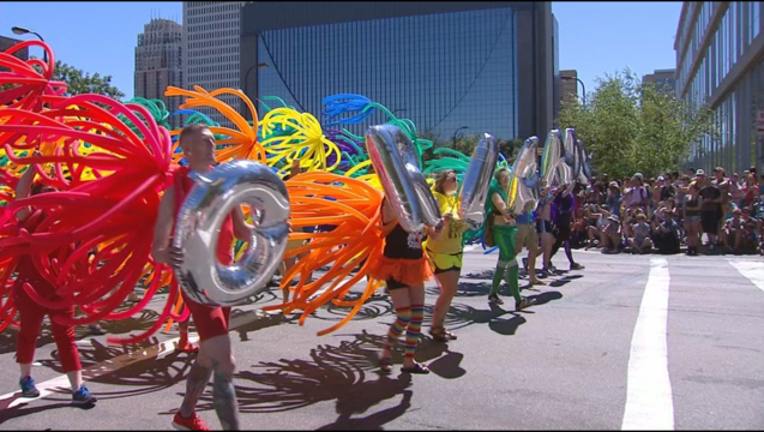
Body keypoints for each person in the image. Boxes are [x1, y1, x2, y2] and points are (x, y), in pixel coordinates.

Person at [153, 124, 254, 431]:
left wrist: (268, 234)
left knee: (209, 356)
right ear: (187, 150)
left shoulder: (227, 184)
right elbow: (158, 243)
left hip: (225, 280)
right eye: (205, 141)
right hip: (197, 282)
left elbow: (241, 232)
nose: (213, 145)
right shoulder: (177, 186)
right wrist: (163, 253)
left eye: (213, 140)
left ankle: (184, 416)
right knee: (226, 361)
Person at [12, 159, 96, 405]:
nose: (54, 193)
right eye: (47, 190)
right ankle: (26, 379)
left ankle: (78, 389)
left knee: (66, 337)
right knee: (29, 333)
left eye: (57, 190)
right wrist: (32, 165)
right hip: (31, 287)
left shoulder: (70, 220)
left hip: (61, 288)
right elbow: (20, 196)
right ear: (36, 196)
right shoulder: (30, 217)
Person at [370, 187, 445, 374]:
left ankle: (409, 361)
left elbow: (434, 236)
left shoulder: (422, 212)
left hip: (416, 265)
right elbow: (390, 198)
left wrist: (440, 226)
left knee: (417, 315)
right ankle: (386, 350)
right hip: (394, 265)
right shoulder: (392, 204)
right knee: (404, 316)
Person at [425, 170, 469, 342]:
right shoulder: (436, 199)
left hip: (455, 250)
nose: (456, 183)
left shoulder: (454, 201)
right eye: (453, 180)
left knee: (450, 291)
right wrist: (442, 222)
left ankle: (439, 326)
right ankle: (436, 327)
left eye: (457, 180)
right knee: (449, 290)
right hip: (439, 251)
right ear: (443, 182)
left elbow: (460, 229)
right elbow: (430, 227)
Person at [485, 168, 535, 310]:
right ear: (499, 180)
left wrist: (526, 205)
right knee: (512, 262)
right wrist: (515, 211)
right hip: (500, 230)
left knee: (502, 262)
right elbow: (504, 211)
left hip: (509, 230)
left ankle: (492, 293)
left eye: (509, 178)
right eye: (505, 178)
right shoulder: (495, 193)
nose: (508, 180)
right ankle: (519, 300)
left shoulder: (509, 193)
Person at [549, 182, 585, 271]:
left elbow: (571, 208)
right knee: (558, 244)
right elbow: (568, 190)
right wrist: (574, 179)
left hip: (565, 222)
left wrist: (573, 219)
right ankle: (547, 261)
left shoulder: (567, 196)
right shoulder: (560, 195)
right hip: (561, 222)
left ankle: (571, 263)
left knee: (563, 243)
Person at [516, 199, 546, 286]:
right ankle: (508, 274)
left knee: (533, 248)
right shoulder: (519, 188)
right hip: (520, 222)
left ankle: (532, 277)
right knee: (515, 249)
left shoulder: (533, 189)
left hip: (530, 222)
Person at [683, 183, 703, 256]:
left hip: (695, 216)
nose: (690, 189)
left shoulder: (699, 197)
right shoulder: (686, 197)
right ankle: (689, 246)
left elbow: (699, 207)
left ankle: (695, 246)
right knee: (689, 232)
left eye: (692, 188)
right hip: (688, 216)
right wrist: (684, 216)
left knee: (694, 231)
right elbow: (684, 207)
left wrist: (691, 208)